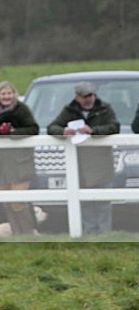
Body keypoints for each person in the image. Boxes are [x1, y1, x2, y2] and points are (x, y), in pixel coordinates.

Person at [48, 81, 119, 235]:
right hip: (80, 165)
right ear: (77, 97)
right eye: (85, 96)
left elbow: (114, 126)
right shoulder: (69, 110)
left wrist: (93, 130)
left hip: (102, 164)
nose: (88, 99)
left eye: (91, 95)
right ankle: (90, 234)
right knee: (85, 202)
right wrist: (64, 132)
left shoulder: (104, 108)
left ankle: (104, 235)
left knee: (103, 202)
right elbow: (52, 127)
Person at [0, 81, 39, 235]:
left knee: (18, 202)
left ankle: (28, 234)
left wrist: (12, 132)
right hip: (0, 163)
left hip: (20, 163)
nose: (7, 96)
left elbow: (33, 128)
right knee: (7, 203)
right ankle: (17, 235)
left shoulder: (22, 109)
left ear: (14, 94)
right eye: (3, 94)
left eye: (9, 93)